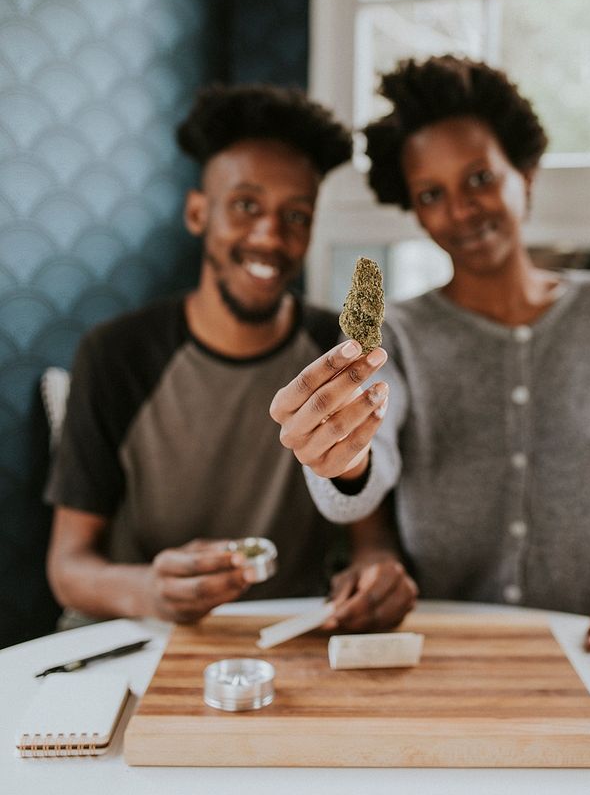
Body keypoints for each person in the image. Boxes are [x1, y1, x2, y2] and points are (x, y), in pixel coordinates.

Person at [270, 55, 590, 678]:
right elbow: (369, 466)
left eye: (480, 177)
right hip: (445, 660)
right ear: (415, 210)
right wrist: (341, 460)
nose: (461, 210)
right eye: (431, 194)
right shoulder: (399, 332)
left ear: (525, 175)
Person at [45, 82, 416, 629]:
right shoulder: (116, 354)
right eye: (246, 206)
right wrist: (150, 589)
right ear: (198, 213)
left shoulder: (339, 355)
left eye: (296, 215)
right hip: (149, 638)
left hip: (292, 635)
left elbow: (371, 538)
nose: (269, 236)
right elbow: (68, 566)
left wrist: (376, 573)